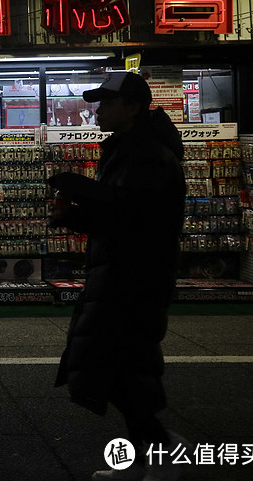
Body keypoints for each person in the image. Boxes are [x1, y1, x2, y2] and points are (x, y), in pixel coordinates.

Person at [48, 72, 187, 481]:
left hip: (136, 279)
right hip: (122, 273)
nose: (98, 111)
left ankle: (162, 453)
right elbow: (120, 217)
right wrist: (75, 216)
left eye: (106, 103)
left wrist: (78, 188)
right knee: (117, 370)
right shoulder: (130, 150)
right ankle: (148, 457)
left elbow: (133, 212)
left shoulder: (149, 155)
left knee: (127, 370)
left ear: (132, 106)